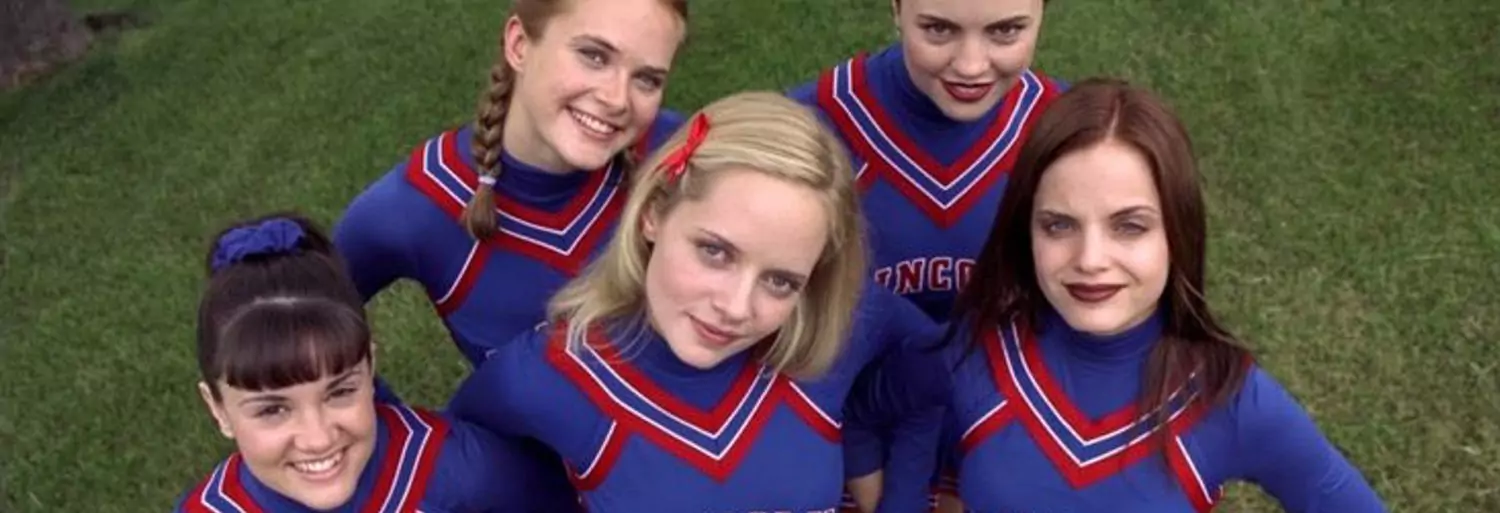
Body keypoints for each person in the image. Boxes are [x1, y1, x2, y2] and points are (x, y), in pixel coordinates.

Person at [446, 91, 946, 512]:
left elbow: (942, 367)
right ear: (653, 213)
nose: (736, 306)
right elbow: (451, 474)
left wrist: (879, 465)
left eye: (780, 281)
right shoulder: (545, 379)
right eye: (715, 252)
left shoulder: (836, 326)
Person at [933, 78, 1387, 512]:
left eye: (1129, 226)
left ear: (1177, 231)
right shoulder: (978, 350)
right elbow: (929, 471)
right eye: (1059, 225)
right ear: (1025, 230)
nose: (1090, 259)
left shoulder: (1226, 398)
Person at [785, 2, 1065, 507]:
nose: (971, 65)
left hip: (1000, 450)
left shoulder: (1067, 135)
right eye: (938, 29)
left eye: (1006, 31)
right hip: (846, 449)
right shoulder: (814, 129)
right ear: (896, 8)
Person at [334, 0, 690, 365]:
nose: (617, 99)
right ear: (519, 45)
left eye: (647, 79)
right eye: (594, 56)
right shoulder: (414, 209)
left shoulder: (675, 150)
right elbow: (301, 328)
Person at [174, 214, 578, 512]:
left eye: (339, 391)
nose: (318, 438)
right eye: (272, 409)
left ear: (369, 368)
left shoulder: (457, 469)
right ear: (218, 409)